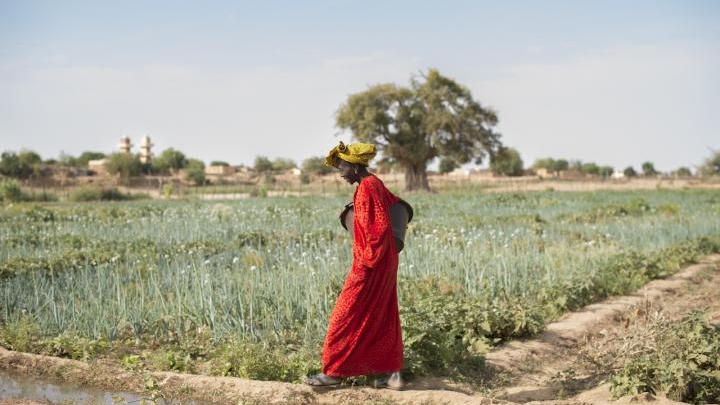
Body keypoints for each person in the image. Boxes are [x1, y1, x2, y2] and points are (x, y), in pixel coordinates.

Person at [304, 141, 404, 390]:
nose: (341, 173)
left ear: (356, 166)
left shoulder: (368, 187)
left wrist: (364, 260)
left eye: (343, 167)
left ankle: (333, 373)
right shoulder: (374, 183)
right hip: (386, 259)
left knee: (345, 316)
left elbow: (378, 228)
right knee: (381, 314)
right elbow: (398, 207)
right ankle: (393, 375)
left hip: (372, 262)